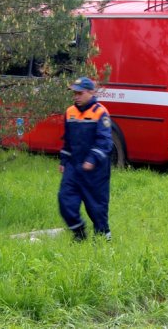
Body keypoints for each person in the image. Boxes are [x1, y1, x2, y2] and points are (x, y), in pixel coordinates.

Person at [58, 77, 113, 241]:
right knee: (65, 201)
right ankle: (79, 233)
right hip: (74, 168)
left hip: (96, 171)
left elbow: (105, 142)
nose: (76, 96)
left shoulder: (100, 112)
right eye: (74, 93)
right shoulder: (70, 112)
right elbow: (67, 140)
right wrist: (63, 161)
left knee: (96, 207)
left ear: (91, 92)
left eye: (80, 93)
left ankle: (103, 238)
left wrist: (92, 159)